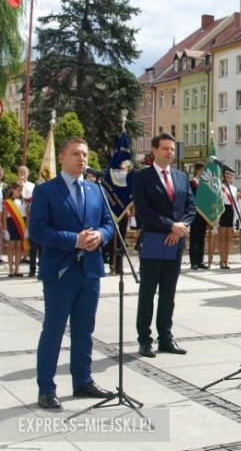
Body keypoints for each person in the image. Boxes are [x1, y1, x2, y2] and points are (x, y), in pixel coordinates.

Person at [28, 137, 116, 410]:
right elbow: (38, 230)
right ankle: (46, 388)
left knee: (84, 329)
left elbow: (108, 224)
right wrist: (74, 239)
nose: (82, 159)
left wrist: (100, 236)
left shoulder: (94, 189)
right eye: (76, 154)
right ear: (63, 158)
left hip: (89, 270)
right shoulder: (46, 191)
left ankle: (83, 380)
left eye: (85, 154)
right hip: (60, 272)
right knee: (53, 330)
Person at [133, 133, 195, 358]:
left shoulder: (180, 177)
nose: (170, 152)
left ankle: (166, 337)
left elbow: (190, 207)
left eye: (172, 149)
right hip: (155, 240)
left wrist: (181, 228)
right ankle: (144, 340)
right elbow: (144, 209)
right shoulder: (142, 177)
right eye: (165, 149)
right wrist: (171, 226)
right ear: (154, 151)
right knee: (148, 292)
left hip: (175, 242)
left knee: (168, 293)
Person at [2, 182, 27, 277]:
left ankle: (17, 269)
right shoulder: (7, 202)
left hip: (21, 225)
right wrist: (5, 230)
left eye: (21, 191)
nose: (20, 192)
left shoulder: (24, 201)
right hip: (10, 225)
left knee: (18, 248)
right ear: (12, 190)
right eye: (18, 190)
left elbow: (27, 215)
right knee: (10, 247)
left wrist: (27, 228)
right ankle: (10, 270)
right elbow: (4, 217)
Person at [188, 162, 209, 270]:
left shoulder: (205, 183)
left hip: (203, 213)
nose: (202, 172)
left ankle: (200, 260)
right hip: (195, 213)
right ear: (197, 171)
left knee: (202, 238)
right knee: (194, 238)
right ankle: (193, 261)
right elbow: (190, 197)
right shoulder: (192, 182)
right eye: (201, 170)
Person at [18, 166, 38, 276]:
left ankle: (35, 267)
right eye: (21, 172)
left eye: (24, 172)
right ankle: (26, 265)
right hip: (20, 214)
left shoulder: (32, 186)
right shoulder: (15, 184)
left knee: (36, 246)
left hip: (33, 218)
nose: (23, 174)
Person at [217, 171, 238, 269]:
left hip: (230, 211)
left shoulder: (234, 189)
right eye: (227, 177)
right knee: (222, 238)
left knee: (228, 238)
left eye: (230, 177)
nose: (229, 179)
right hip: (222, 211)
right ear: (223, 177)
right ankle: (221, 260)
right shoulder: (219, 187)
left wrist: (235, 219)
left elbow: (235, 203)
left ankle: (227, 260)